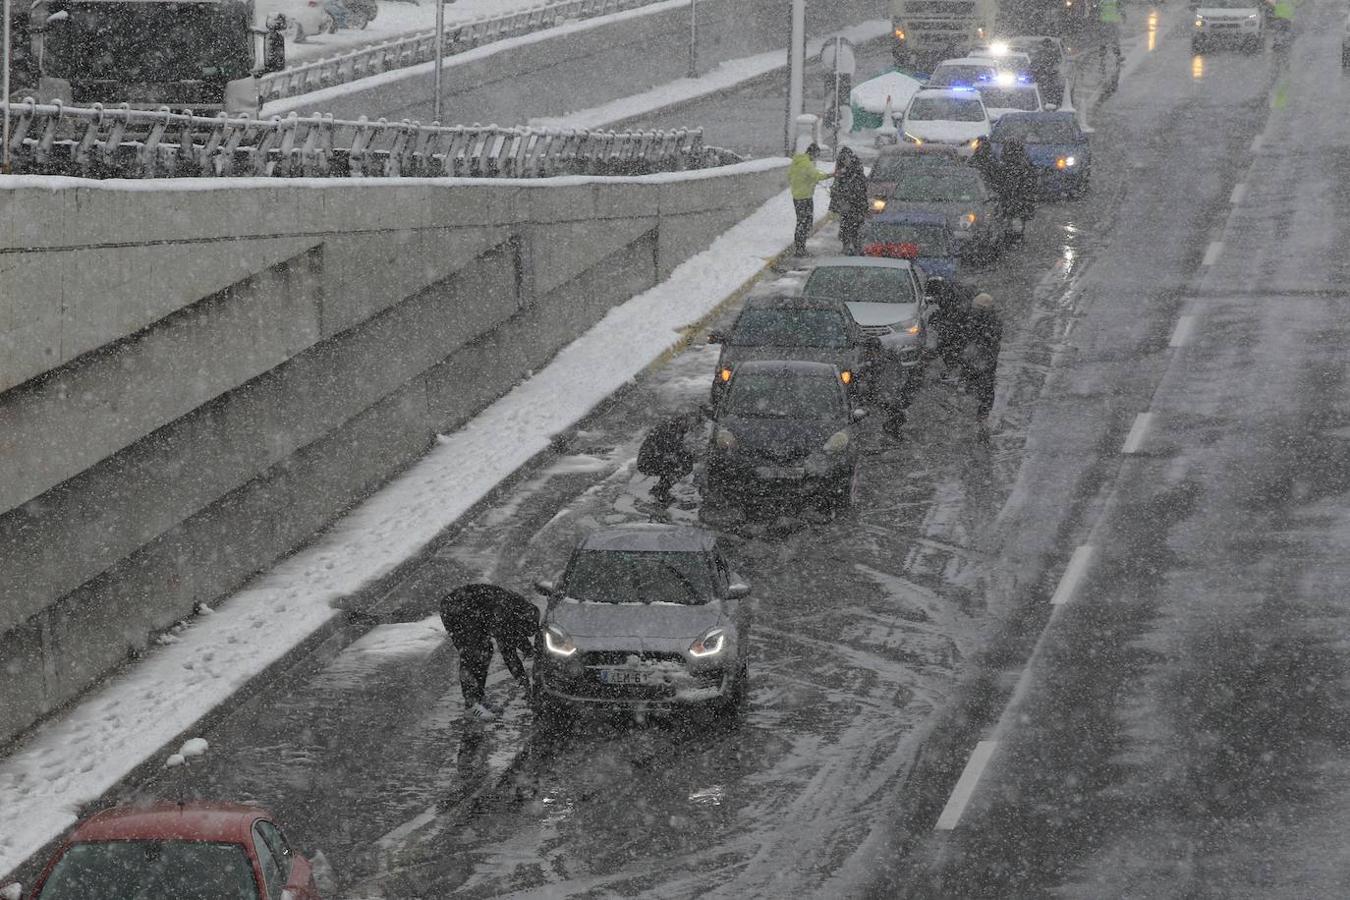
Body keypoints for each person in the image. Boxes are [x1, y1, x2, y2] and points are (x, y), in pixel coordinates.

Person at [439, 583, 540, 722]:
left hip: (465, 610)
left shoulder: (515, 609)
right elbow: (509, 653)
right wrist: (526, 686)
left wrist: (529, 650)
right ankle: (471, 706)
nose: (525, 634)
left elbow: (513, 634)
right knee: (473, 654)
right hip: (456, 609)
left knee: (484, 651)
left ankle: (478, 700)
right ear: (521, 619)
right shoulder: (503, 611)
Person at [637, 410, 700, 504]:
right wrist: (681, 457)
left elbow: (677, 450)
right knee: (676, 466)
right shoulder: (667, 430)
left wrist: (690, 456)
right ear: (682, 420)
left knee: (684, 464)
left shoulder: (677, 429)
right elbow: (668, 451)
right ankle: (661, 491)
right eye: (688, 422)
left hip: (657, 459)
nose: (690, 426)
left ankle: (661, 489)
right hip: (647, 461)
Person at [960, 292, 1003, 422]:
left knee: (985, 383)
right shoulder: (984, 319)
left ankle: (982, 411)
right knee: (983, 383)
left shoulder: (989, 322)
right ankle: (982, 410)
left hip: (984, 357)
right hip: (980, 356)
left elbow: (991, 338)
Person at [789, 143, 831, 256]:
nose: (816, 157)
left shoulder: (797, 162)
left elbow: (792, 176)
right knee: (805, 223)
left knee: (801, 222)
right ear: (812, 153)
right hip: (805, 197)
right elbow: (817, 176)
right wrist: (831, 175)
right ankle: (800, 249)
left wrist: (806, 181)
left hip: (797, 196)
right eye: (816, 155)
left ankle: (800, 247)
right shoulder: (806, 164)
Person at [829, 147, 869, 256]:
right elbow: (838, 184)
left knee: (855, 226)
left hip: (856, 203)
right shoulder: (844, 172)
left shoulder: (856, 172)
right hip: (848, 204)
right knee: (846, 225)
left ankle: (856, 247)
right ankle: (847, 247)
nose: (843, 162)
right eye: (842, 160)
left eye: (845, 159)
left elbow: (861, 187)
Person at [996, 138, 1038, 230]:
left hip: (1009, 198)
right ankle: (1017, 232)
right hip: (1020, 198)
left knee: (1008, 216)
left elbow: (998, 181)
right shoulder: (1025, 165)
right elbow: (1032, 180)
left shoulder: (1003, 165)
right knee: (1018, 218)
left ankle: (1009, 230)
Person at [1031, 39, 1064, 107]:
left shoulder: (1052, 54)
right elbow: (1033, 64)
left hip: (1048, 78)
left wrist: (1050, 71)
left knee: (1052, 90)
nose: (1046, 48)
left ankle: (1052, 103)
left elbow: (1057, 65)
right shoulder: (1040, 54)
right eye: (1045, 45)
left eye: (1047, 45)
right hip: (1042, 77)